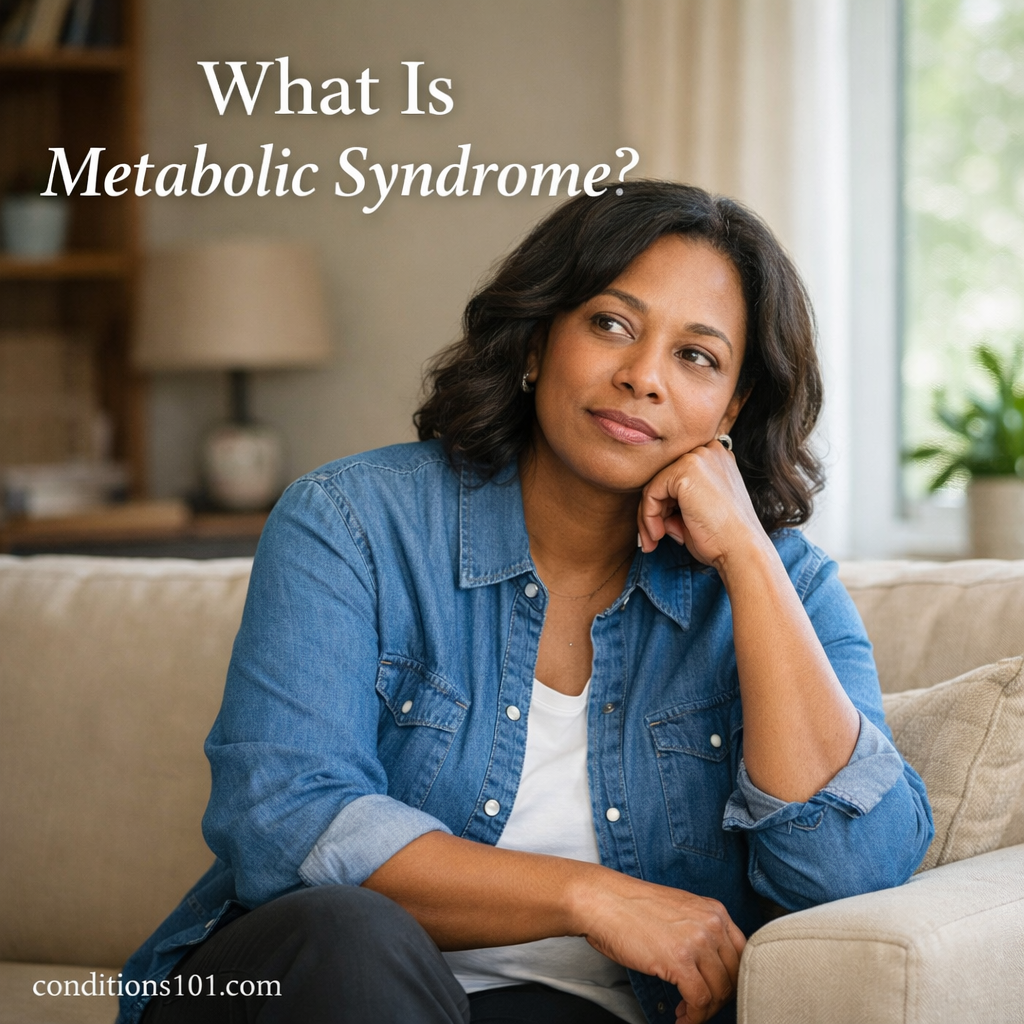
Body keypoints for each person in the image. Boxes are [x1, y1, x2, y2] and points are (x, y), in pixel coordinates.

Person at [120, 180, 933, 1024]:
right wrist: (592, 897)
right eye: (611, 324)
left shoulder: (786, 585)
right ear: (538, 342)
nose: (642, 376)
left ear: (733, 406)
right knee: (351, 935)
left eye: (697, 356)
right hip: (320, 990)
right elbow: (287, 823)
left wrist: (750, 561)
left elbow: (851, 875)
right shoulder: (353, 523)